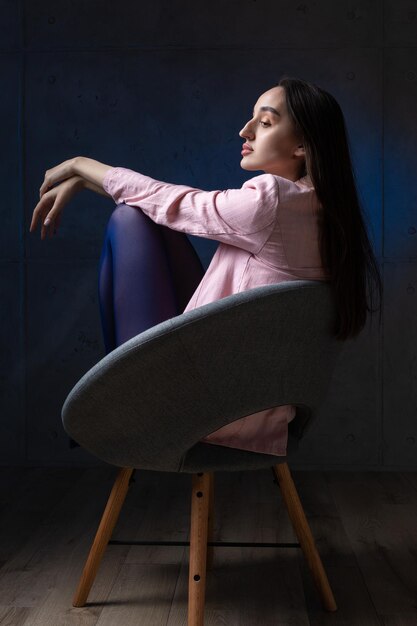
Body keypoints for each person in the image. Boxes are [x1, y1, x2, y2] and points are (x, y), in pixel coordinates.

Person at [29, 76, 383, 457]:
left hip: (204, 411)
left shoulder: (271, 201)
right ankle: (114, 394)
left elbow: (172, 201)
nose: (244, 130)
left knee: (129, 220)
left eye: (264, 123)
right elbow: (167, 207)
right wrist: (85, 181)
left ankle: (117, 401)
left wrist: (81, 165)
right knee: (146, 213)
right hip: (261, 411)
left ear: (301, 145)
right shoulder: (326, 211)